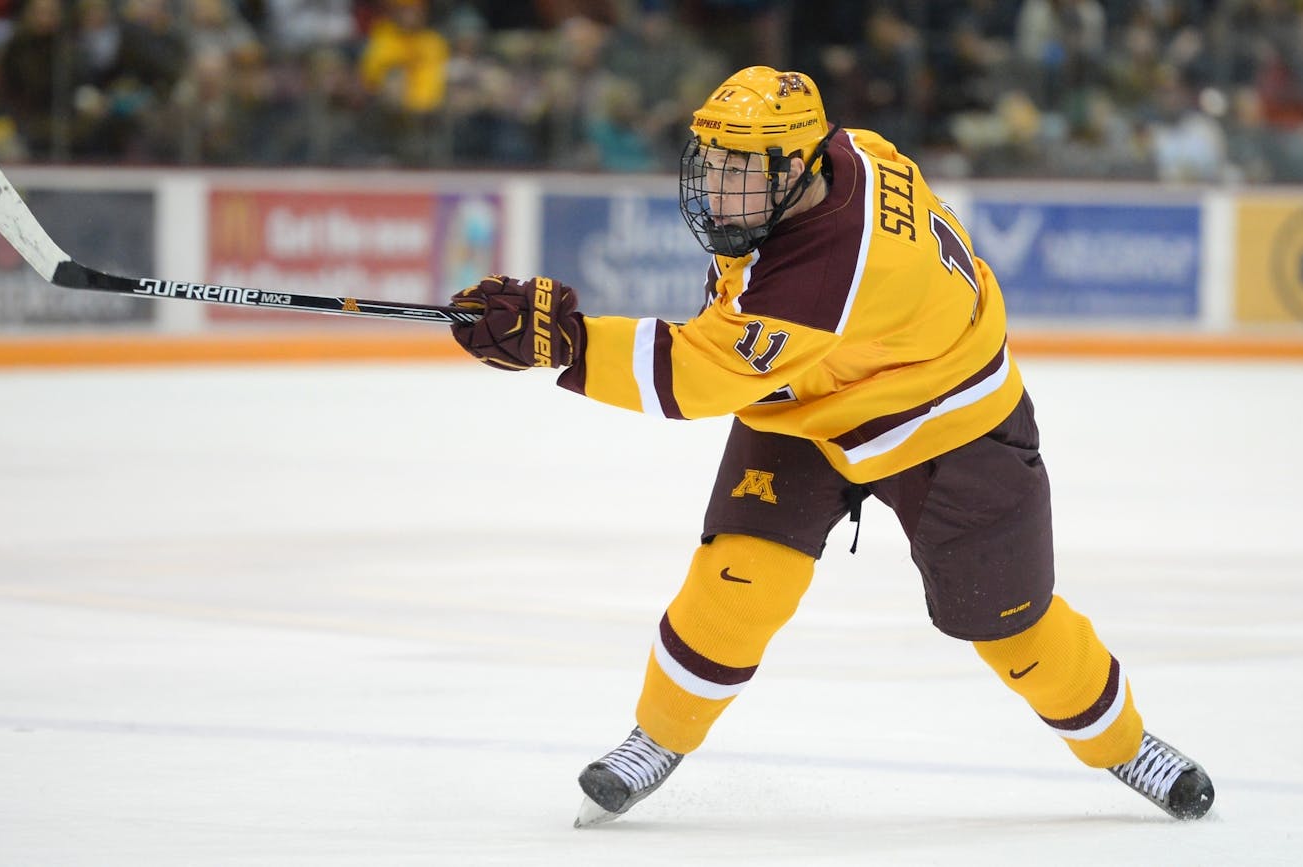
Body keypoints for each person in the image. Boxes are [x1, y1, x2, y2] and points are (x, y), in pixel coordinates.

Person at [447, 65, 1214, 828]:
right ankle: (658, 736)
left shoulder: (824, 275)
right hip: (811, 394)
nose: (716, 182)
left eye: (739, 167)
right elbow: (742, 337)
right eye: (711, 158)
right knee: (737, 579)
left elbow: (696, 377)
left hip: (948, 421)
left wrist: (563, 343)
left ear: (797, 169)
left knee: (1012, 624)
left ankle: (1125, 743)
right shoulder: (847, 153)